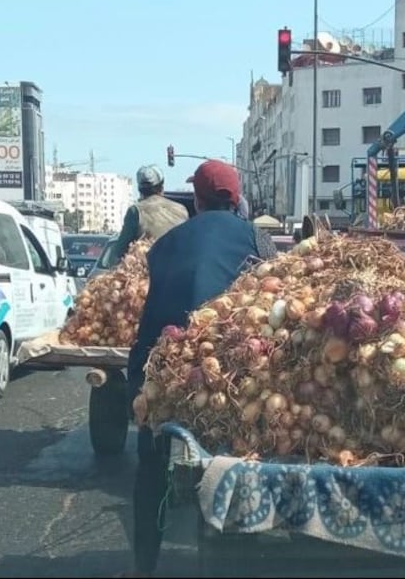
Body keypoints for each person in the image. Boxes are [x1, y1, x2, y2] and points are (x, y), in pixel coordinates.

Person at [125, 160, 267, 577]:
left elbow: (152, 317)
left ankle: (143, 567)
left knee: (150, 469)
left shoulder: (167, 244)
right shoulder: (258, 239)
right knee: (244, 461)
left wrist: (137, 381)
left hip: (171, 368)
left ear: (198, 201)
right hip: (237, 371)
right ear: (237, 199)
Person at [111, 165, 189, 261]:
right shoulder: (181, 209)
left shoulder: (135, 211)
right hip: (179, 269)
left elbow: (120, 250)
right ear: (162, 187)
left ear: (140, 190)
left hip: (148, 271)